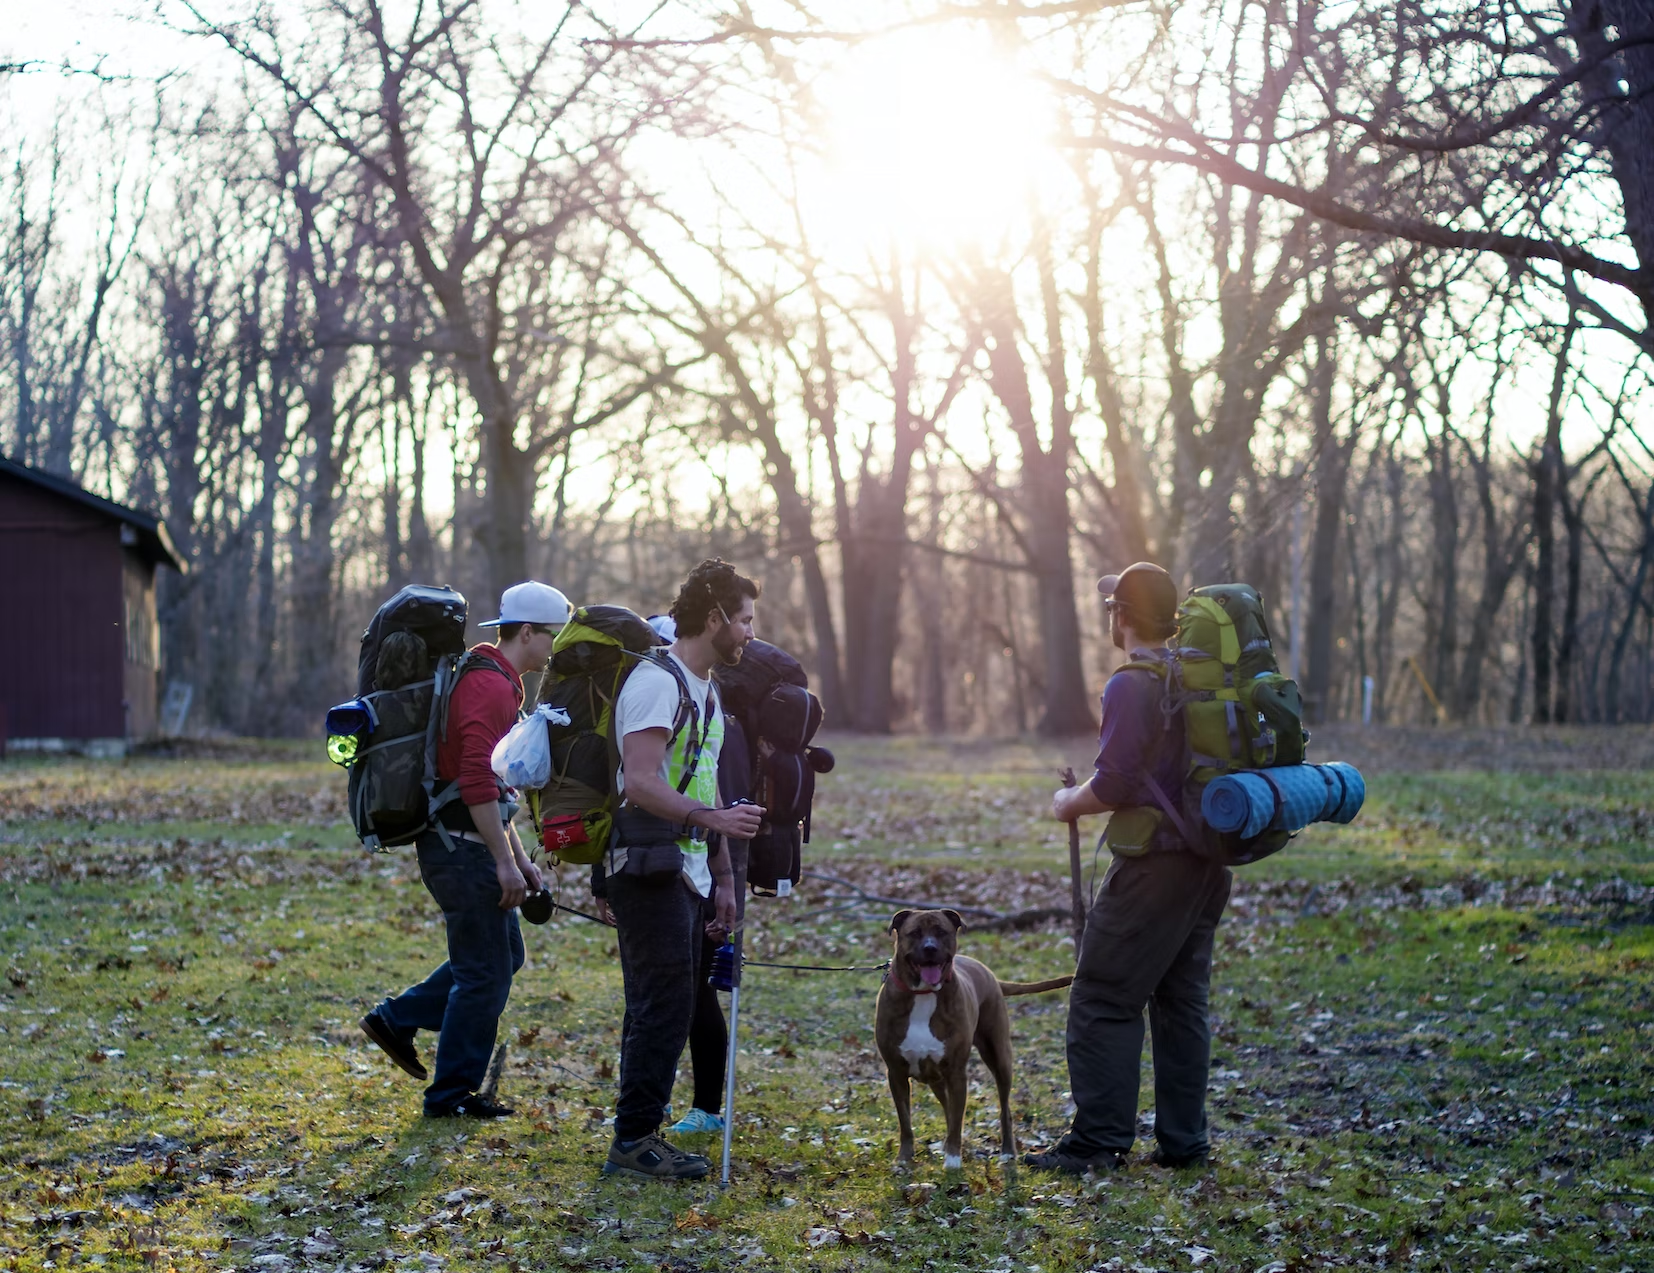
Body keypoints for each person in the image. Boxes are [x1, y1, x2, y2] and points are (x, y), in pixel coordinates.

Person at [1024, 561, 1232, 1175]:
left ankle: (1097, 1143)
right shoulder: (1192, 677)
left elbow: (1112, 783)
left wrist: (1068, 803)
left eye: (1112, 607)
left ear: (1122, 614)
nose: (1108, 617)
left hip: (1155, 867)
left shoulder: (1131, 684)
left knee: (1102, 996)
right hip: (1207, 862)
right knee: (1180, 1002)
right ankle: (1184, 1144)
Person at [360, 581, 570, 1118]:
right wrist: (503, 862)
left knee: (503, 959)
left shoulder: (491, 677)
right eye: (552, 637)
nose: (555, 649)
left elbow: (497, 790)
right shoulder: (490, 688)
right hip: (461, 849)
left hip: (468, 841)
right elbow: (476, 782)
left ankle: (397, 1019)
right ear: (527, 632)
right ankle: (450, 1094)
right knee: (484, 974)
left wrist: (522, 862)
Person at [596, 560, 764, 1179]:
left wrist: (722, 876)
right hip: (645, 863)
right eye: (744, 620)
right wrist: (712, 822)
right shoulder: (656, 683)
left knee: (669, 1001)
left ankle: (639, 1133)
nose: (749, 633)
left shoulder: (707, 690)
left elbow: (704, 782)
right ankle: (635, 1140)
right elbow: (639, 781)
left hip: (688, 869)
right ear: (715, 617)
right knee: (660, 1004)